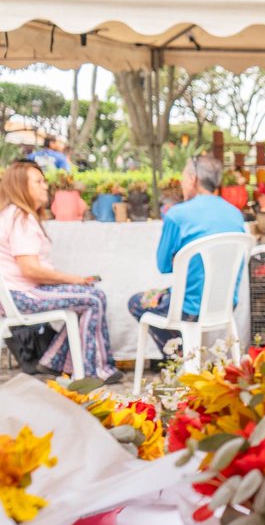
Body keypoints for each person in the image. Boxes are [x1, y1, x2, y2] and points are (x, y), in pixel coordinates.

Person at [0, 161, 121, 382]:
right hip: (22, 295)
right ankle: (93, 371)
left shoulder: (13, 214)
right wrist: (74, 279)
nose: (45, 186)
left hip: (19, 292)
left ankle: (55, 360)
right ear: (20, 187)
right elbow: (30, 269)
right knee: (94, 298)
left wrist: (74, 282)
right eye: (38, 182)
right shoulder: (20, 217)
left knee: (89, 296)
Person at [127, 155, 246, 354]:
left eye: (183, 178)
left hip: (187, 309)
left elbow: (164, 265)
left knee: (135, 302)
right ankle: (188, 356)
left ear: (192, 179)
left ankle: (179, 356)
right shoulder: (235, 214)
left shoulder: (177, 214)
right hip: (225, 306)